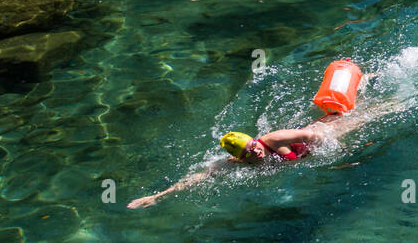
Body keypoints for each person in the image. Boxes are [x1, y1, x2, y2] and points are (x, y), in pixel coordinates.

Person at [127, 75, 399, 209]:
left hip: (324, 135)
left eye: (253, 144)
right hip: (309, 152)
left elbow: (315, 135)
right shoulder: (234, 165)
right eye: (248, 152)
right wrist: (157, 196)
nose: (255, 150)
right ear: (241, 157)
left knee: (377, 113)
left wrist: (339, 154)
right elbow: (198, 177)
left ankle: (368, 83)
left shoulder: (275, 139)